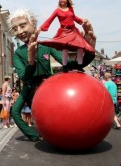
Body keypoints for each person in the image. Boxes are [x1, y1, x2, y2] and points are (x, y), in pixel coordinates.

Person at [9, 8, 96, 141]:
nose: (19, 31)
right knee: (15, 111)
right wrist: (31, 62)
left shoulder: (47, 46)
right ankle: (34, 135)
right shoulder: (18, 53)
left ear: (32, 23)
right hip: (29, 87)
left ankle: (64, 131)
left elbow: (70, 64)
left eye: (22, 25)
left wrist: (88, 51)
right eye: (15, 29)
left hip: (47, 85)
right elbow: (23, 75)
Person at [36, 0, 95, 72]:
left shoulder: (70, 9)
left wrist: (81, 20)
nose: (62, 0)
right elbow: (50, 19)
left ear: (67, 0)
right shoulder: (57, 10)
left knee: (80, 47)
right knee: (65, 49)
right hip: (64, 32)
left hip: (73, 31)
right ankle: (65, 66)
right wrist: (41, 28)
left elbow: (74, 17)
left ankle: (79, 66)